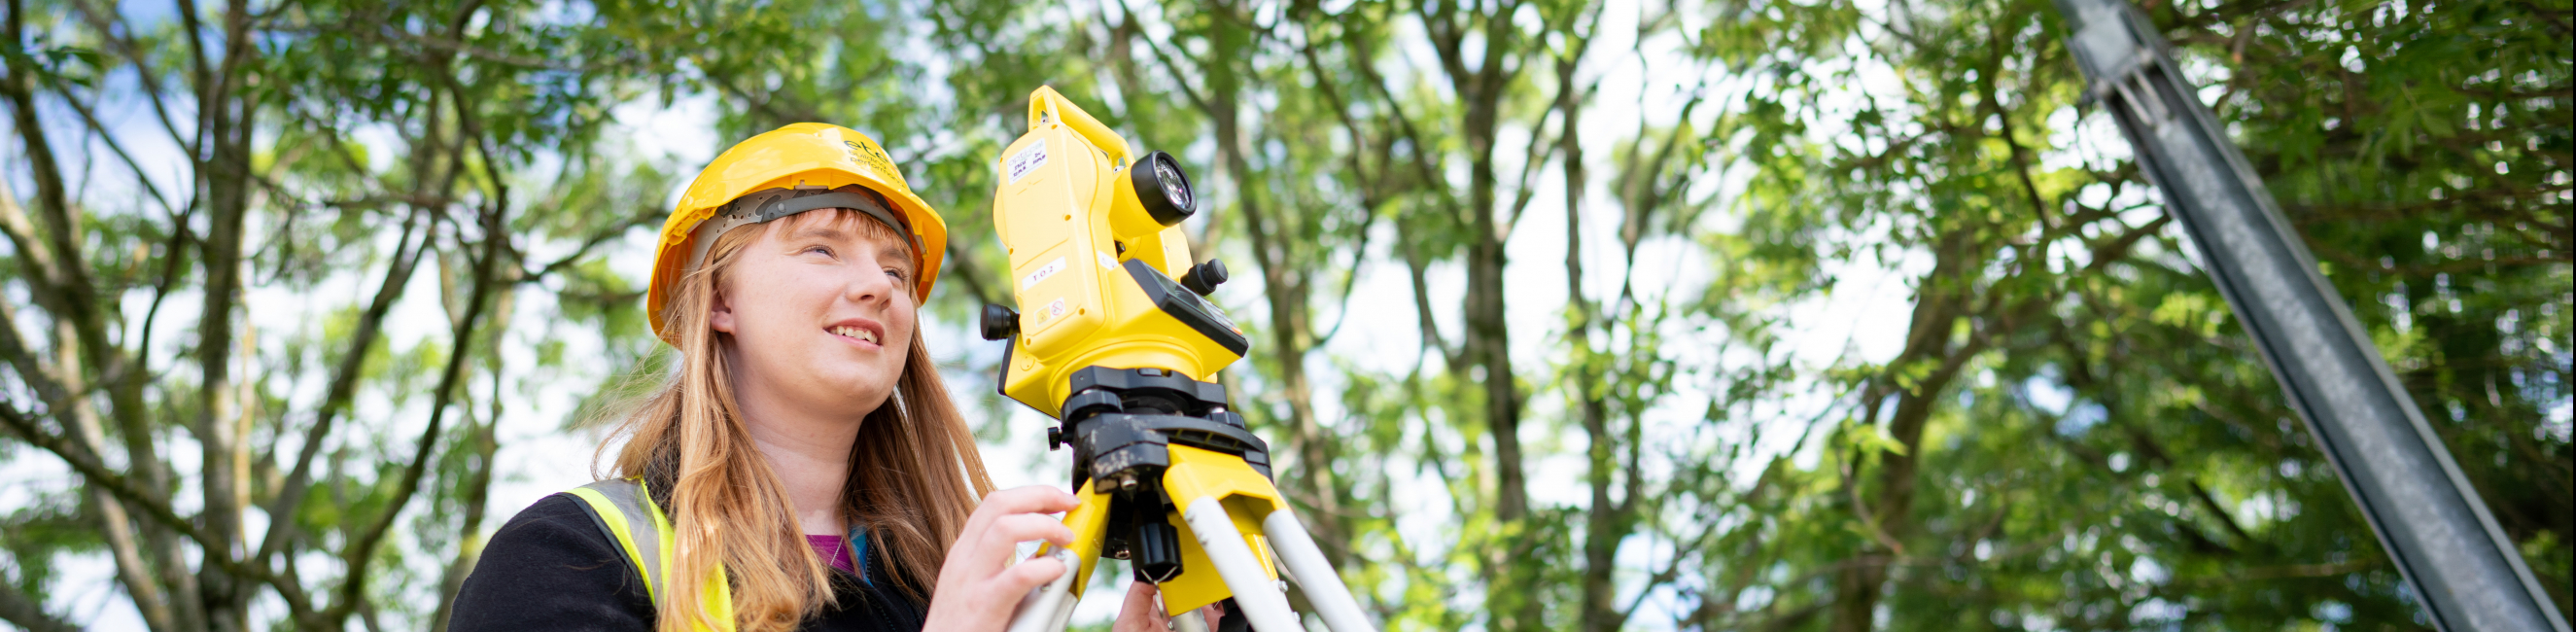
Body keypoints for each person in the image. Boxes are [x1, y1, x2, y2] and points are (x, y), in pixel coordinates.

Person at [448, 123, 1190, 632]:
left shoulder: (944, 584)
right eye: (822, 250)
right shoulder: (571, 555)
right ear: (719, 299)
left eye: (896, 268)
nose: (879, 287)